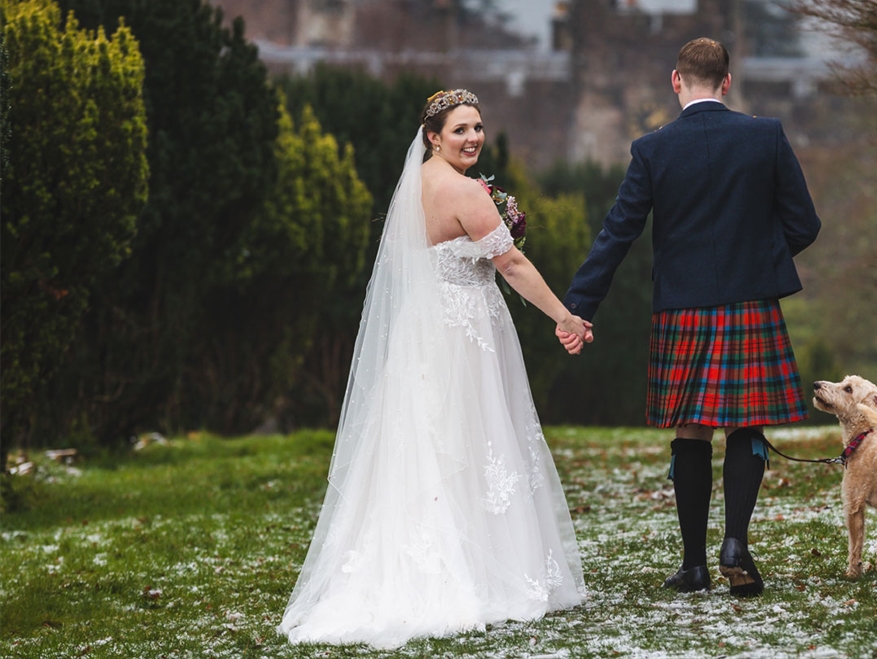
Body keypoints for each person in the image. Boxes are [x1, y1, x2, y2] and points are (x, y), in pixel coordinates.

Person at [279, 89, 591, 648]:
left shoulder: (415, 184)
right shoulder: (466, 192)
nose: (472, 137)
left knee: (425, 437)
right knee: (472, 436)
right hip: (462, 330)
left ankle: (433, 553)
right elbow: (512, 264)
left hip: (422, 329)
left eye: (477, 127)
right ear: (433, 137)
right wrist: (565, 316)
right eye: (459, 130)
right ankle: (475, 568)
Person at [560, 39, 821, 597]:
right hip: (750, 304)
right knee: (745, 422)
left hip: (681, 308)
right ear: (727, 82)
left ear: (675, 82)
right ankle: (737, 545)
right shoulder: (764, 135)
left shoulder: (653, 149)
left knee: (691, 426)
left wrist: (578, 308)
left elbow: (617, 234)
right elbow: (804, 223)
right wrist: (760, 264)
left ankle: (694, 565)